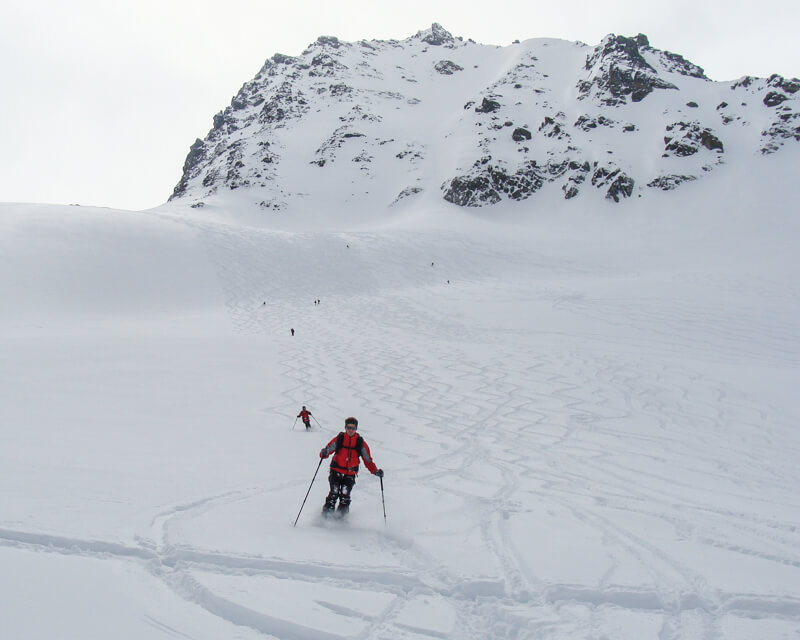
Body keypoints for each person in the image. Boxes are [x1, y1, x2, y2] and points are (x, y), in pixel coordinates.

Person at [319, 417, 383, 516]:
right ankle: (326, 516)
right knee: (334, 493)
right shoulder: (339, 439)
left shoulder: (360, 442)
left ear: (356, 429)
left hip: (350, 473)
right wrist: (324, 453)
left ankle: (341, 519)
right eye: (349, 427)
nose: (350, 430)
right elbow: (328, 450)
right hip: (336, 471)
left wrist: (375, 471)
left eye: (353, 428)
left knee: (345, 495)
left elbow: (367, 460)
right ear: (345, 427)